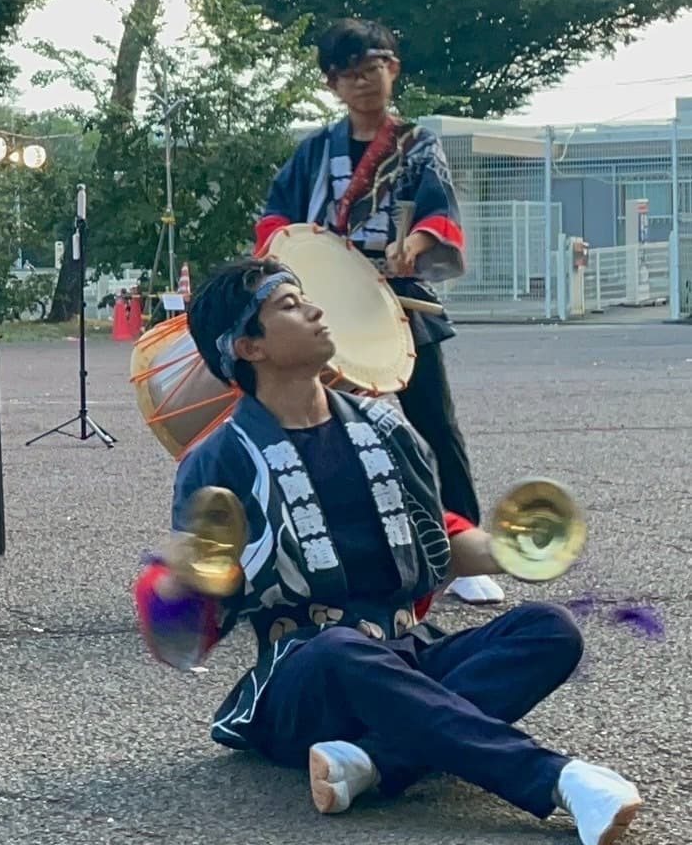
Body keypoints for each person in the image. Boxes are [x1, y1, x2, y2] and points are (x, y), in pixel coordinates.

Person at [133, 257, 641, 845]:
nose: (315, 311)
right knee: (338, 650)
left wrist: (510, 547)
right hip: (307, 681)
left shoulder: (386, 429)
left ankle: (371, 761)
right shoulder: (218, 461)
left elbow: (437, 542)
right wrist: (177, 579)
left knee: (549, 630)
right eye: (290, 306)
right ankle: (556, 779)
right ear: (249, 347)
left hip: (405, 653)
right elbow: (189, 633)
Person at [256, 18, 501, 607]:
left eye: (375, 68)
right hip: (316, 306)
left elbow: (436, 213)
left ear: (393, 70)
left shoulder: (417, 145)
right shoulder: (315, 151)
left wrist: (412, 247)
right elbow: (275, 220)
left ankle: (462, 551)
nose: (364, 83)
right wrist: (289, 262)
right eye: (350, 74)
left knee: (433, 425)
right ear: (332, 84)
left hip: (397, 302)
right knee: (307, 426)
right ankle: (302, 550)